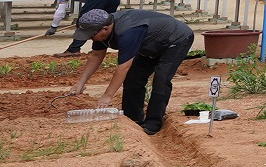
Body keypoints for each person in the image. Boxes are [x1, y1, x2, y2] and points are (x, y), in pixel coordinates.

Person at [69, 7, 195, 135]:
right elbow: (96, 56)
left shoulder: (128, 31)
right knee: (133, 77)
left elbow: (123, 67)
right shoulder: (102, 31)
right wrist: (81, 82)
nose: (89, 38)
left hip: (176, 39)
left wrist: (106, 97)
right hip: (150, 43)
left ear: (105, 29)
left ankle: (153, 123)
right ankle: (133, 119)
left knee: (161, 78)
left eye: (90, 35)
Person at [45, 0, 123, 50]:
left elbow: (60, 10)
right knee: (106, 23)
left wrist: (53, 27)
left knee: (84, 20)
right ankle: (100, 48)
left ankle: (73, 50)